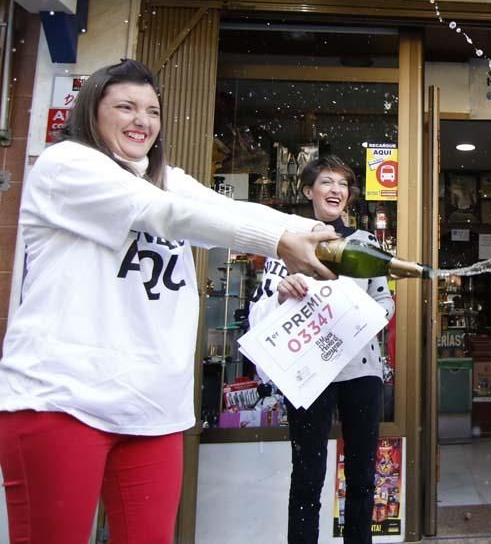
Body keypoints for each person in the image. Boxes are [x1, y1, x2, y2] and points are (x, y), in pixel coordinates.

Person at [0, 59, 339, 544]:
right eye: (125, 107)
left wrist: (318, 234)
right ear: (92, 113)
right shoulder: (66, 166)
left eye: (152, 111)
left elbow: (223, 208)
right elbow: (163, 213)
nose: (142, 120)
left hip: (153, 407)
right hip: (60, 399)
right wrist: (281, 241)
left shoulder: (165, 178)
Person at [248, 155, 394, 544]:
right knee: (307, 475)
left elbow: (385, 301)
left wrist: (360, 314)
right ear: (308, 191)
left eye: (343, 184)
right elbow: (261, 309)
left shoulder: (364, 242)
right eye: (326, 182)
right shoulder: (288, 243)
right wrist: (282, 294)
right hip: (309, 372)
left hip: (361, 371)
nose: (335, 190)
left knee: (363, 475)